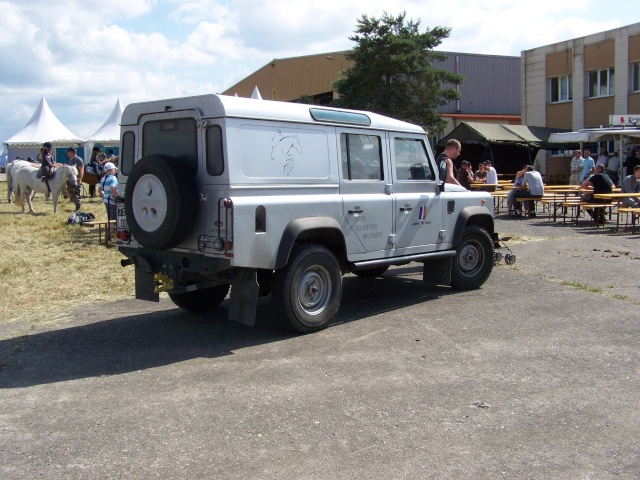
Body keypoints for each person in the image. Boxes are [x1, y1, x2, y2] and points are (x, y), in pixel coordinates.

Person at [98, 162, 119, 245]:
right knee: (113, 220)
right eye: (114, 169)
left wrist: (104, 196)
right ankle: (109, 236)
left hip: (106, 201)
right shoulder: (113, 178)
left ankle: (111, 235)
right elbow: (112, 188)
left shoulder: (104, 178)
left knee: (110, 218)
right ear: (111, 170)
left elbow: (99, 190)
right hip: (112, 202)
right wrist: (116, 197)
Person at [65, 147, 84, 211]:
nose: (67, 153)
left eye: (68, 152)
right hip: (71, 180)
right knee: (72, 193)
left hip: (76, 180)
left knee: (76, 193)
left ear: (71, 152)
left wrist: (80, 179)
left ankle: (78, 207)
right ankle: (75, 204)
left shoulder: (78, 160)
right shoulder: (70, 160)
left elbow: (81, 169)